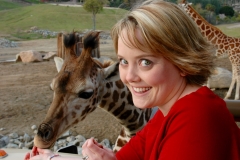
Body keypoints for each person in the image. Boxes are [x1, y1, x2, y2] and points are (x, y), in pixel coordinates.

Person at [24, 0, 240, 160]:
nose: (129, 77)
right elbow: (129, 156)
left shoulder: (197, 118)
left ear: (183, 62)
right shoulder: (166, 111)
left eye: (146, 62)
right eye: (124, 61)